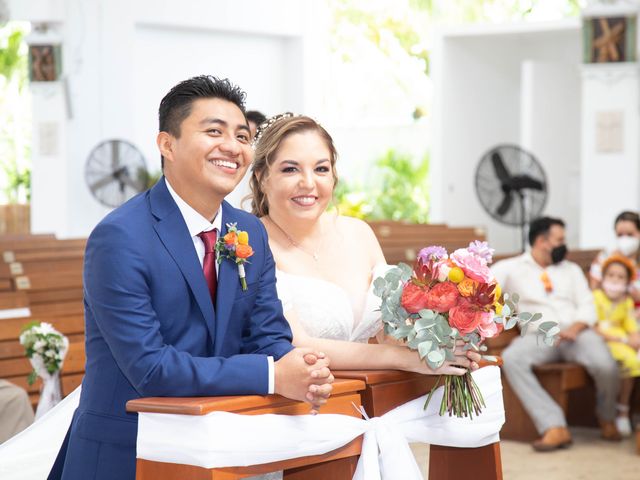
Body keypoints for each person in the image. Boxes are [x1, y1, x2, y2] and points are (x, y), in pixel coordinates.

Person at [48, 76, 333, 480]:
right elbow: (149, 368)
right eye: (213, 131)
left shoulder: (249, 232)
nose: (232, 147)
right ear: (167, 144)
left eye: (241, 135)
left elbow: (268, 334)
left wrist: (302, 368)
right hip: (128, 454)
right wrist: (273, 375)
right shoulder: (120, 237)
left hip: (222, 448)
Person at [248, 113, 480, 375]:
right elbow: (298, 345)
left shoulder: (358, 232)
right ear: (261, 177)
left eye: (321, 169)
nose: (309, 183)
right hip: (306, 399)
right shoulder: (251, 245)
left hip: (378, 393)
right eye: (290, 169)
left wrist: (441, 341)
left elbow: (389, 331)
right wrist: (400, 358)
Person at [492, 216, 621, 451]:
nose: (564, 244)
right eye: (560, 239)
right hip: (539, 336)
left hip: (577, 332)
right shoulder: (511, 268)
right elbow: (485, 283)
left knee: (606, 365)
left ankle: (607, 416)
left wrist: (575, 328)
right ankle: (553, 426)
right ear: (542, 241)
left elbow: (587, 304)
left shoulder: (571, 269)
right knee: (511, 359)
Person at [593, 254, 640, 437]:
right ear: (603, 277)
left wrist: (635, 337)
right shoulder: (596, 297)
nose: (615, 280)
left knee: (633, 362)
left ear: (628, 281)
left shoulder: (626, 302)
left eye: (620, 277)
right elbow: (593, 325)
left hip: (624, 342)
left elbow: (631, 326)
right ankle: (614, 410)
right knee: (622, 361)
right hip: (605, 341)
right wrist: (622, 340)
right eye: (611, 275)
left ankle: (624, 407)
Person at [590, 211, 640, 311]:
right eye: (620, 235)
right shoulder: (604, 257)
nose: (625, 239)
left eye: (630, 234)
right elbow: (594, 288)